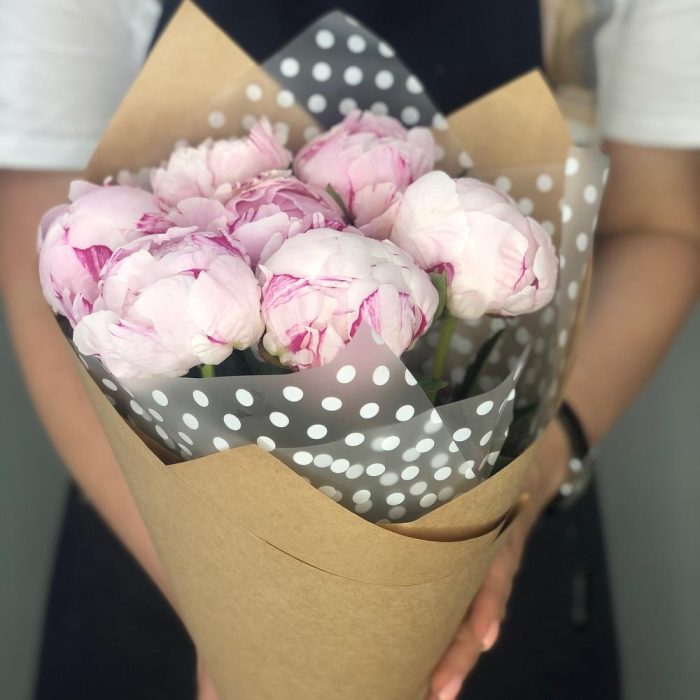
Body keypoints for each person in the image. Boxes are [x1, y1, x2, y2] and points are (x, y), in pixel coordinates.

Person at [0, 1, 698, 699]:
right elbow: (47, 250)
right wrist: (229, 613)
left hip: (498, 557)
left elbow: (662, 224)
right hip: (151, 546)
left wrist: (532, 479)